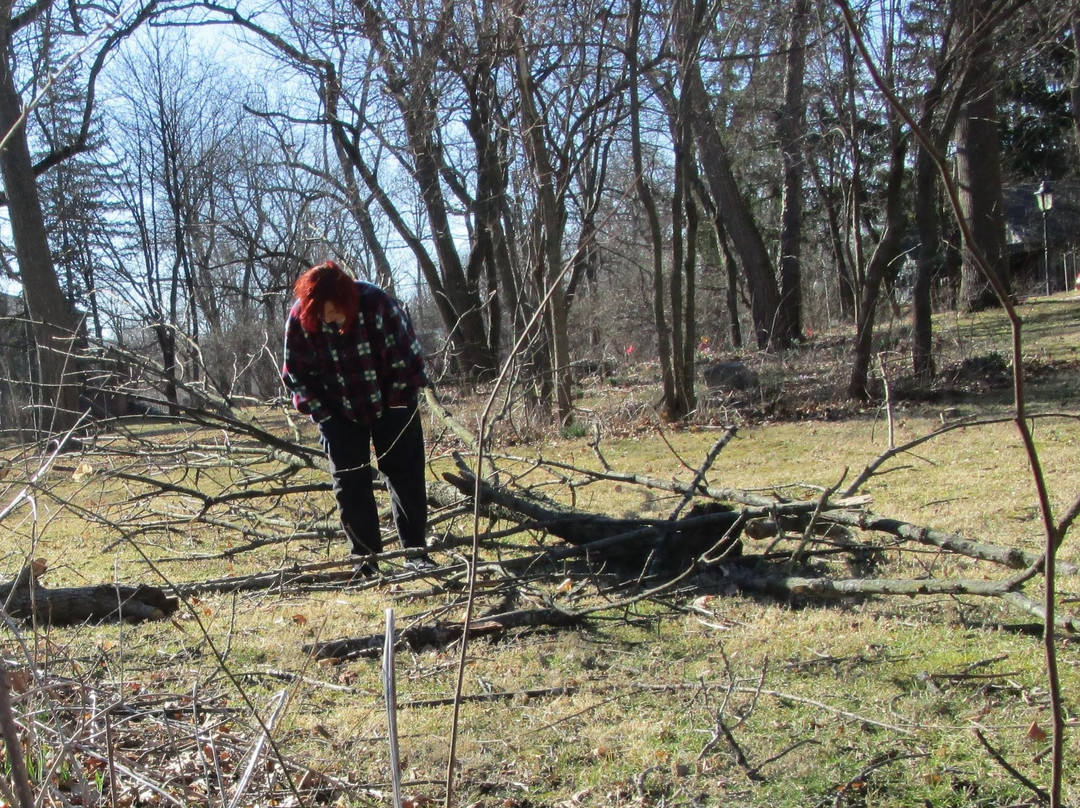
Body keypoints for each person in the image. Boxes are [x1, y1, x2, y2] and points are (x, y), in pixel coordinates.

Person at [281, 261, 432, 576]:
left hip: (393, 400)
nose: (327, 318)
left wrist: (396, 405)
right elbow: (295, 374)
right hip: (337, 410)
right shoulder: (300, 318)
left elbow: (409, 359)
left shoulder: (376, 304)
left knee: (405, 474)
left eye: (333, 311)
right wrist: (324, 415)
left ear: (346, 301)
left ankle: (416, 553)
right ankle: (366, 562)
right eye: (321, 313)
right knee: (350, 483)